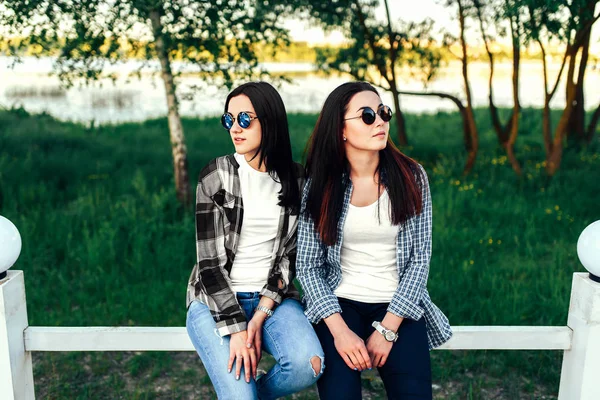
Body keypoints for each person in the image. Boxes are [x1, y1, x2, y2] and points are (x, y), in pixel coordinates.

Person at [297, 81, 452, 400]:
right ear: (341, 129)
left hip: (399, 306)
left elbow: (420, 259)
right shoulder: (320, 186)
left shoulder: (412, 176)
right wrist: (340, 333)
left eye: (383, 112)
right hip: (339, 307)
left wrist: (388, 327)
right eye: (367, 115)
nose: (380, 121)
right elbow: (309, 267)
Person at [186, 82, 324, 400]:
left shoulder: (298, 179)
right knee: (239, 396)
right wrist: (236, 327)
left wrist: (260, 314)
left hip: (271, 298)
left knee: (309, 364)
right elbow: (209, 266)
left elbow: (291, 256)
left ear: (269, 120)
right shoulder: (215, 176)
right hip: (214, 301)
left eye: (245, 119)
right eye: (229, 119)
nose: (235, 128)